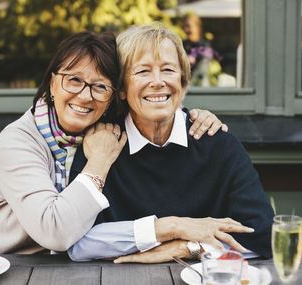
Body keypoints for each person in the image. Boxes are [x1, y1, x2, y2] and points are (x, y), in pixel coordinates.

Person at [0, 31, 227, 254]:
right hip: (6, 265)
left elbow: (152, 101)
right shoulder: (19, 140)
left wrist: (193, 116)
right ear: (53, 83)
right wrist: (98, 162)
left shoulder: (109, 129)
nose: (85, 96)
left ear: (112, 96)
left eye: (100, 86)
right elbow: (54, 231)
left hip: (77, 266)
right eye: (73, 80)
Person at [68, 22, 274, 263]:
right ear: (121, 89)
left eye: (168, 70)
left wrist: (186, 248)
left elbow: (263, 234)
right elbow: (77, 241)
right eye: (143, 71)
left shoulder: (218, 144)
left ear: (183, 84)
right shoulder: (102, 144)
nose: (157, 81)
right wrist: (170, 228)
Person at [182, 14, 222, 87]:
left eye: (189, 26)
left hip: (199, 87)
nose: (186, 30)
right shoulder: (182, 45)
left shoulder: (205, 47)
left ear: (198, 28)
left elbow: (201, 70)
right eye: (185, 26)